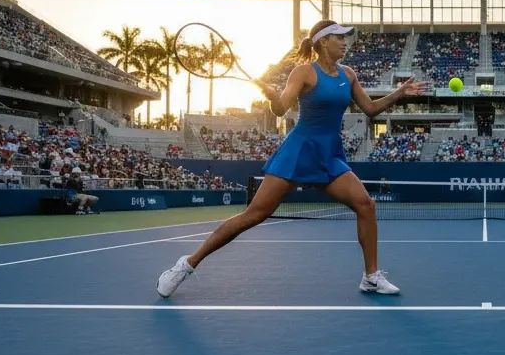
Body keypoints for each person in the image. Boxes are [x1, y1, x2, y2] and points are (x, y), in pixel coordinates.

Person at [156, 20, 428, 298]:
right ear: (323, 41)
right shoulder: (303, 72)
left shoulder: (349, 74)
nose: (345, 42)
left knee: (366, 205)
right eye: (339, 37)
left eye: (346, 38)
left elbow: (370, 109)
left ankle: (371, 277)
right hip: (298, 152)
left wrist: (399, 94)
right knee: (254, 215)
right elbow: (281, 108)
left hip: (329, 155)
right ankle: (186, 264)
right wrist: (273, 97)